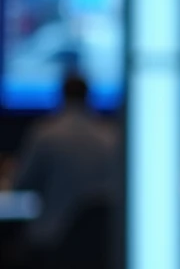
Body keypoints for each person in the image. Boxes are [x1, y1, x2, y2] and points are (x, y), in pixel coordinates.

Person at [11, 72, 118, 251]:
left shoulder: (45, 134)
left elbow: (21, 184)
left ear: (62, 95)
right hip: (101, 241)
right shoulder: (111, 137)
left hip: (52, 238)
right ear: (88, 96)